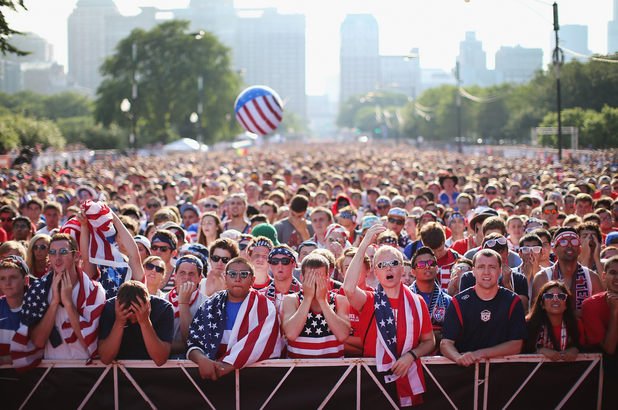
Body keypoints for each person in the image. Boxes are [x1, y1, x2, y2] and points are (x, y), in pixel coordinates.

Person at [344, 224, 435, 407]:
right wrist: (363, 246)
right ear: (375, 272)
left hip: (407, 375)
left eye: (393, 263)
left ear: (403, 269)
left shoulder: (418, 303)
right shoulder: (369, 300)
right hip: (373, 378)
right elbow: (348, 288)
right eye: (382, 265)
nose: (388, 269)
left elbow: (429, 341)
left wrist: (411, 355)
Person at [11, 233, 106, 368]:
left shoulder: (94, 290)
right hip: (51, 371)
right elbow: (38, 341)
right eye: (52, 252)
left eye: (63, 252)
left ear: (76, 256)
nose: (57, 258)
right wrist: (54, 302)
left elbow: (89, 341)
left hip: (87, 370)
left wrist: (68, 303)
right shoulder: (38, 289)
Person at [187, 257, 280, 380]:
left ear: (252, 280)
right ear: (225, 278)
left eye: (244, 274)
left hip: (254, 380)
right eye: (232, 274)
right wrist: (201, 359)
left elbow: (266, 342)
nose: (237, 278)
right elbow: (193, 341)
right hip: (212, 380)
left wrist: (227, 365)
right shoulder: (210, 305)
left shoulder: (265, 307)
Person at [440, 249, 527, 367]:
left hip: (503, 374)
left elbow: (516, 345)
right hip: (465, 374)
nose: (486, 272)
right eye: (481, 267)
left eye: (492, 267)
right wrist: (458, 358)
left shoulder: (513, 301)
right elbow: (446, 343)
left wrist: (480, 354)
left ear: (500, 271)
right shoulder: (459, 302)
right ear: (473, 271)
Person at [281, 253, 350, 358]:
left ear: (327, 277)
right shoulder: (291, 300)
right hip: (297, 369)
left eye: (319, 277)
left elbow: (343, 335)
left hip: (334, 370)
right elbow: (291, 334)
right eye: (310, 277)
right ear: (301, 277)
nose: (315, 282)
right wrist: (307, 298)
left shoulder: (339, 300)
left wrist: (322, 301)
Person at [98, 280, 173, 365]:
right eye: (128, 316)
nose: (133, 321)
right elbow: (105, 358)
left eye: (136, 315)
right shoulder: (109, 308)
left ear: (148, 305)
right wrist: (119, 322)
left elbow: (160, 359)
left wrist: (144, 322)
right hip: (116, 373)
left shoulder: (164, 309)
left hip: (154, 373)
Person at [531, 228, 603, 315]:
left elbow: (600, 313)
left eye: (574, 242)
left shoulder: (592, 278)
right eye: (563, 242)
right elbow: (536, 315)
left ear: (580, 249)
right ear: (554, 250)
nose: (569, 245)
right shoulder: (542, 277)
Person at [525, 281, 581, 361]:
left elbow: (587, 348)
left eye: (561, 296)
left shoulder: (577, 325)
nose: (555, 299)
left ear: (566, 305)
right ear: (542, 304)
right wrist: (540, 351)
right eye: (549, 296)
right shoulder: (528, 325)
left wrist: (576, 349)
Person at [582, 256, 618, 374]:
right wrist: (614, 312)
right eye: (613, 272)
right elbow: (609, 349)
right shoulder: (590, 305)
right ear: (603, 276)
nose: (617, 278)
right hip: (605, 369)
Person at [409, 247, 451, 349]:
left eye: (431, 263)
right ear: (413, 272)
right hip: (410, 357)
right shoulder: (405, 298)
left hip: (440, 358)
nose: (427, 267)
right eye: (421, 264)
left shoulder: (447, 301)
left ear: (437, 268)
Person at [165, 255, 207, 355]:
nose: (187, 277)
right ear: (174, 276)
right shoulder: (163, 300)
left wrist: (183, 303)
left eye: (191, 274)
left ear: (200, 278)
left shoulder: (207, 303)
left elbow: (191, 342)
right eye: (182, 273)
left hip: (193, 363)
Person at [0, 256, 28, 364]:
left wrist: (5, 360)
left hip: (32, 378)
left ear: (25, 280)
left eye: (13, 277)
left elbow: (36, 351)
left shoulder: (35, 309)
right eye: (2, 278)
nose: (7, 283)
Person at [261, 245, 302, 311]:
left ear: (294, 264)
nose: (280, 266)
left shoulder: (305, 294)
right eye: (275, 261)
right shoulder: (260, 296)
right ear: (270, 265)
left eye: (285, 261)